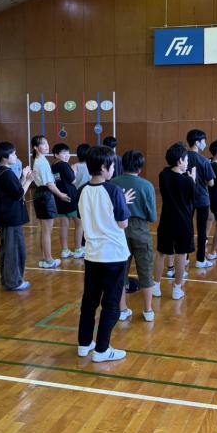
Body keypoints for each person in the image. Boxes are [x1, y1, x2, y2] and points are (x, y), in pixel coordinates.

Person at [77, 145, 134, 362]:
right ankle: (102, 350)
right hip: (113, 255)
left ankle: (84, 344)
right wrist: (122, 203)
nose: (113, 170)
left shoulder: (82, 190)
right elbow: (123, 223)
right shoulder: (113, 191)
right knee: (111, 303)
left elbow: (88, 214)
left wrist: (118, 203)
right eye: (111, 166)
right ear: (103, 167)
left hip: (92, 255)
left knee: (90, 301)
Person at [111, 150, 157, 322]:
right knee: (145, 270)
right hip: (140, 229)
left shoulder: (113, 183)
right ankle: (148, 310)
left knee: (121, 271)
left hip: (118, 229)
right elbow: (152, 216)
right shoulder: (146, 185)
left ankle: (122, 309)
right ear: (140, 166)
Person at [153, 142, 196, 301]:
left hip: (166, 219)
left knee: (161, 252)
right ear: (180, 161)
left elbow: (170, 173)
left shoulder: (163, 175)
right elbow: (193, 199)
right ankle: (177, 288)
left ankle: (156, 286)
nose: (187, 163)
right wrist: (192, 180)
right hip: (183, 221)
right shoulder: (187, 181)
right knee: (181, 253)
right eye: (186, 160)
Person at [0, 141, 34, 291]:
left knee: (8, 248)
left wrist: (24, 177)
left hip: (7, 216)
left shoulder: (4, 171)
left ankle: (7, 278)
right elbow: (18, 194)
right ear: (5, 157)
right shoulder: (6, 173)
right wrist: (29, 181)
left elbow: (15, 188)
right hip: (10, 217)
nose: (16, 156)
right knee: (14, 249)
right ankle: (14, 281)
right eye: (13, 154)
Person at [31, 135, 71, 268]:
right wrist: (60, 195)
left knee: (43, 230)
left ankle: (44, 258)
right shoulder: (41, 162)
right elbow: (49, 183)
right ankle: (48, 260)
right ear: (36, 148)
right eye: (43, 144)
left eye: (47, 143)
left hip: (40, 194)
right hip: (45, 195)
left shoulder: (40, 160)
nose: (47, 146)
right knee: (47, 231)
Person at [185, 129, 215, 268]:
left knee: (187, 227)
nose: (205, 144)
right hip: (202, 199)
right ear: (197, 142)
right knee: (202, 229)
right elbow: (211, 183)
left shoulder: (182, 158)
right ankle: (200, 260)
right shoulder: (203, 160)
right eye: (204, 141)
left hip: (186, 198)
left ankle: (185, 257)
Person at [51, 143, 85, 259]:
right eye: (63, 153)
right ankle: (78, 249)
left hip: (59, 198)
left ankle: (65, 250)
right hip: (70, 197)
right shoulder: (64, 165)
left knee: (64, 225)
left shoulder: (53, 166)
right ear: (56, 155)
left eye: (68, 153)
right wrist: (73, 171)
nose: (67, 155)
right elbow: (73, 180)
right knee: (80, 223)